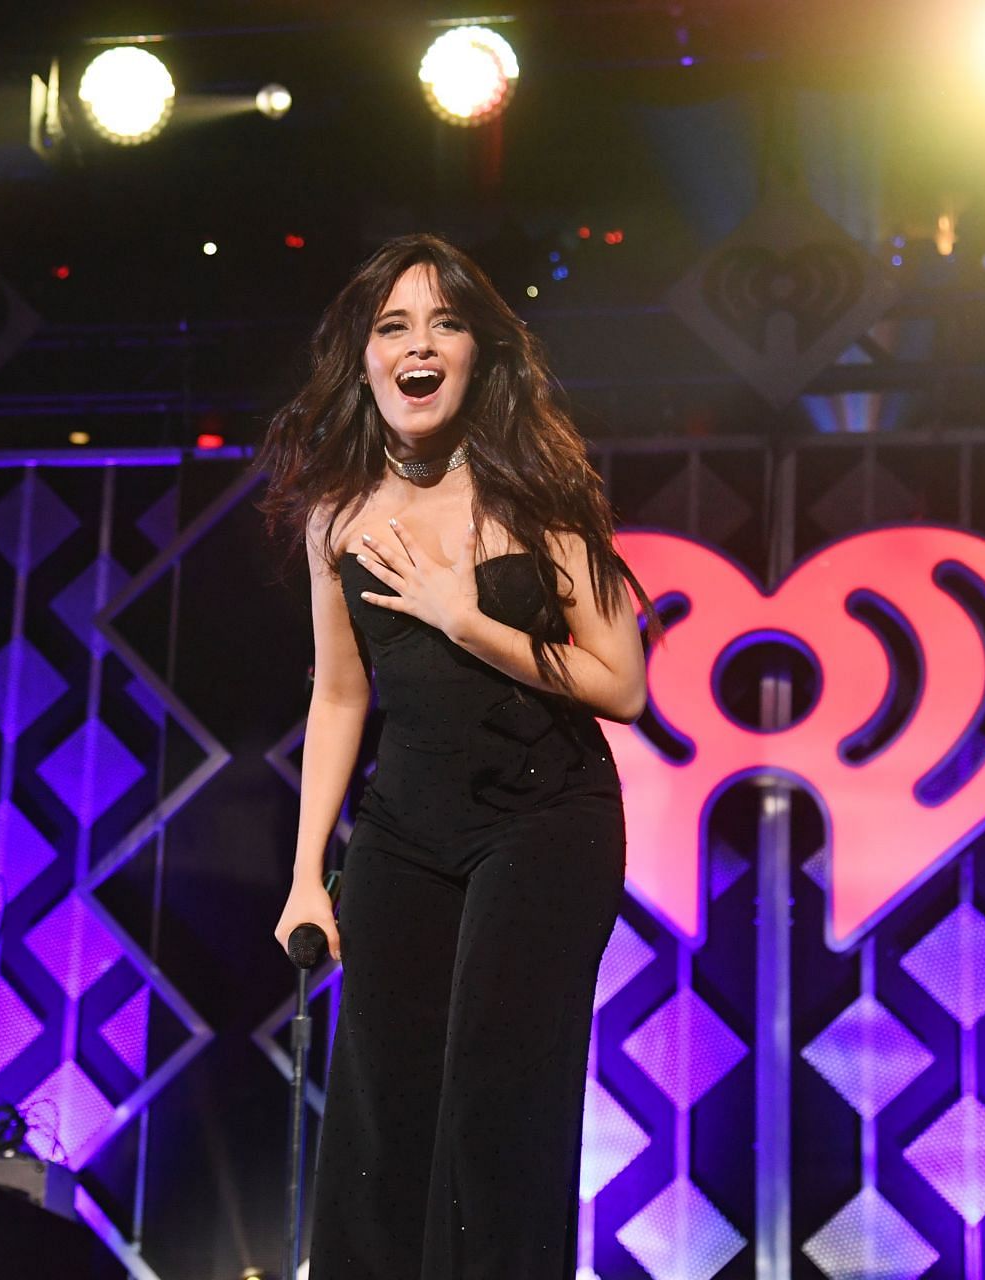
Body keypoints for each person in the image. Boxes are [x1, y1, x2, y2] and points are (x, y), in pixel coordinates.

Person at [262, 233, 656, 1279]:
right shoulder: (338, 517)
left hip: (547, 817)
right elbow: (341, 692)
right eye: (394, 327)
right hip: (408, 826)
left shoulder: (540, 494)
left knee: (495, 1095)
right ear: (365, 360)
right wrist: (308, 874)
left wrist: (465, 617)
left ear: (481, 353)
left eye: (445, 323)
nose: (418, 345)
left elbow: (622, 681)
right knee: (380, 1103)